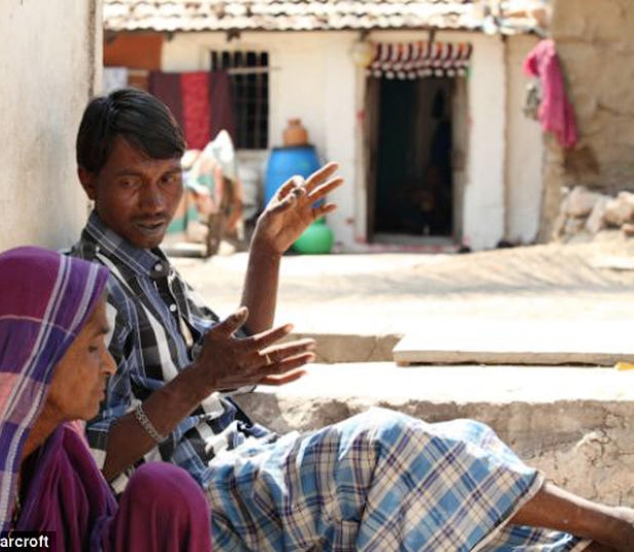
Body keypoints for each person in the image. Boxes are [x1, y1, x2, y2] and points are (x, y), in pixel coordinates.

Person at [70, 88, 634, 551]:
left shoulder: (149, 266)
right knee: (383, 443)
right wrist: (198, 381)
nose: (156, 202)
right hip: (197, 500)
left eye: (168, 179)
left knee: (468, 440)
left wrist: (267, 251)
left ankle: (569, 546)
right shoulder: (85, 290)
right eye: (130, 182)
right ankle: (611, 526)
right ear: (89, 182)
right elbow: (96, 459)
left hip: (246, 456)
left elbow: (233, 363)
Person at [0, 247, 212, 552]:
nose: (108, 365)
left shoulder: (58, 450)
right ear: (32, 357)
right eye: (93, 347)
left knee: (166, 492)